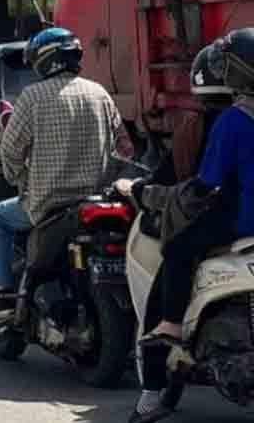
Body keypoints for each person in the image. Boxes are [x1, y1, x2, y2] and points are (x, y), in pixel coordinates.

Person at [127, 30, 254, 422]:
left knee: (177, 250)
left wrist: (160, 198)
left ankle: (169, 331)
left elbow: (207, 182)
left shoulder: (230, 120)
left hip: (239, 219)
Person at [0, 27, 131, 318]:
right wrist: (107, 175)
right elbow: (124, 148)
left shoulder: (32, 97)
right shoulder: (98, 92)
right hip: (99, 201)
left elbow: (11, 151)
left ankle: (1, 296)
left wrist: (20, 180)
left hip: (47, 205)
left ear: (43, 61)